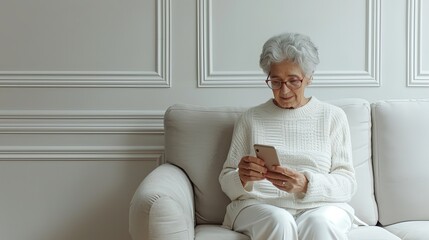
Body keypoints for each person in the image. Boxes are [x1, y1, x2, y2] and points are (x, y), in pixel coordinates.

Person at [219, 32, 357, 240]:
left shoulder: (333, 117)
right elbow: (226, 180)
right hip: (260, 206)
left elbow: (347, 184)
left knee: (319, 223)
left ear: (309, 78)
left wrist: (306, 184)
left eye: (293, 81)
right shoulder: (250, 119)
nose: (284, 91)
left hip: (319, 207)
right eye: (276, 82)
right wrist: (241, 177)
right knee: (279, 221)